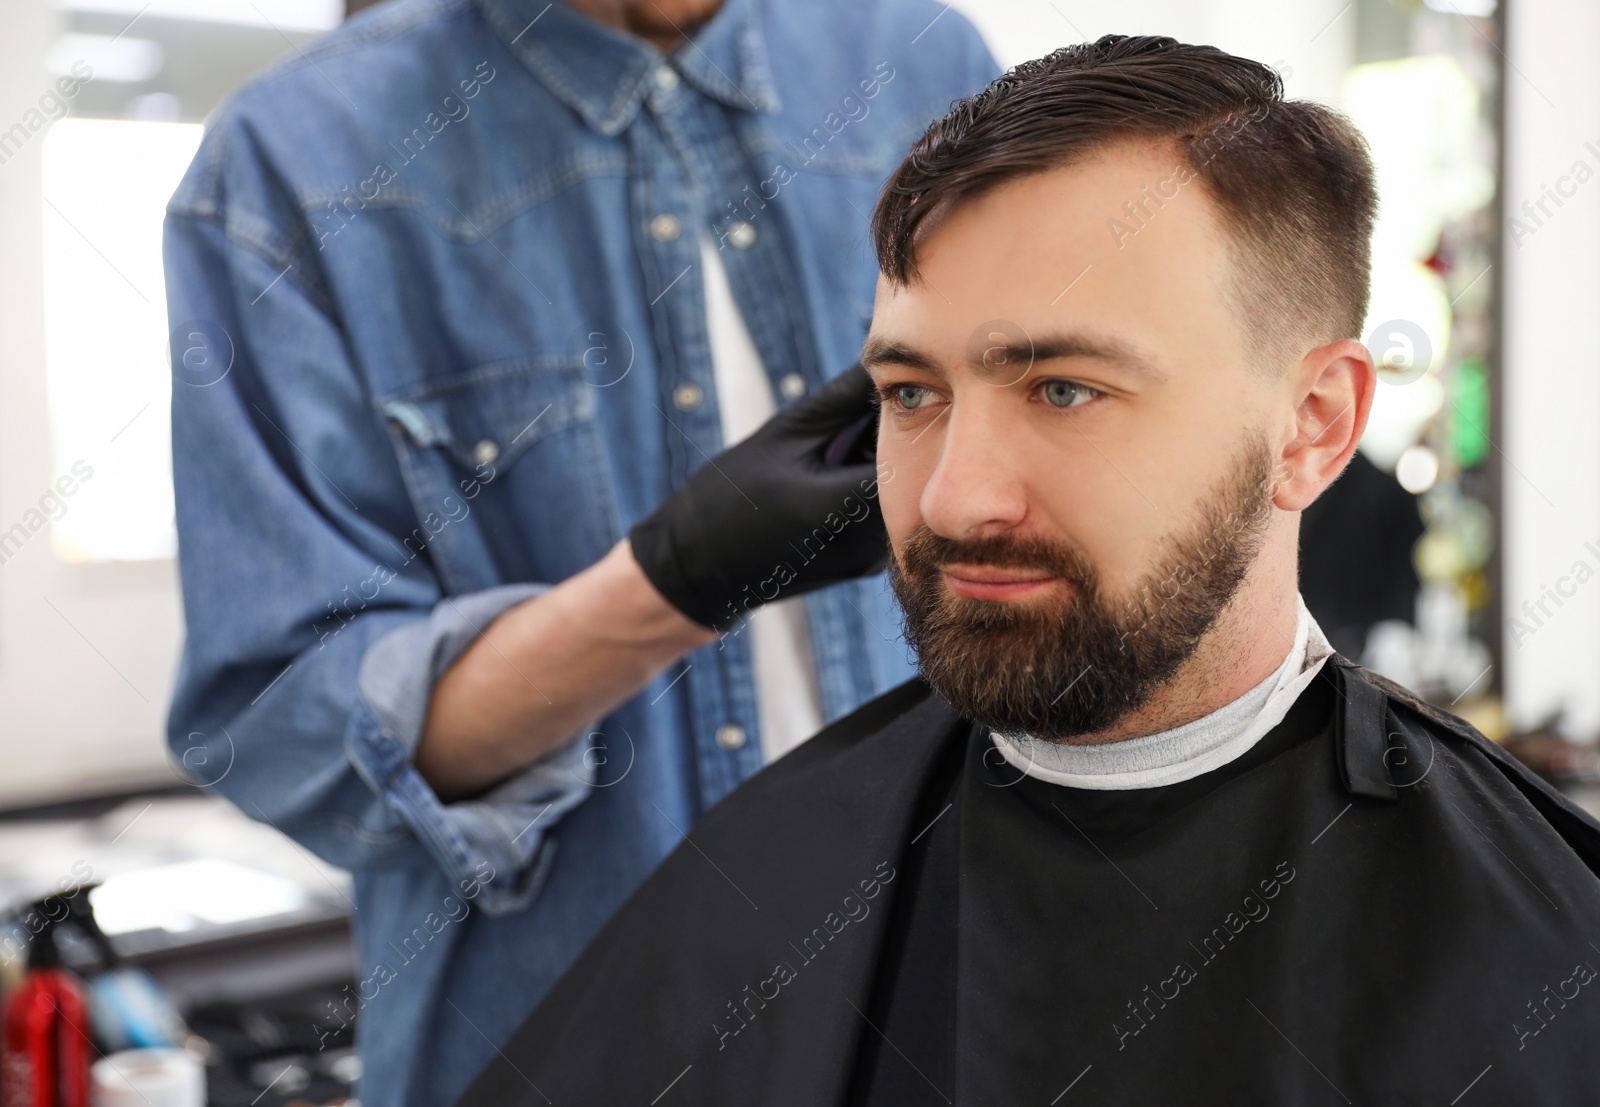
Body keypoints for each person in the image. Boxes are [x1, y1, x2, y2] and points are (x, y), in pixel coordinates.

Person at [454, 35, 1600, 1107]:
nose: (953, 498)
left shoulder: (1541, 952)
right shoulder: (766, 881)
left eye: (1063, 389)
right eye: (913, 393)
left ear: (1310, 424)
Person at [160, 0, 1000, 1102]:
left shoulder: (921, 62)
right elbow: (283, 724)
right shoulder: (294, 162)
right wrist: (663, 588)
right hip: (562, 1053)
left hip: (931, 1021)